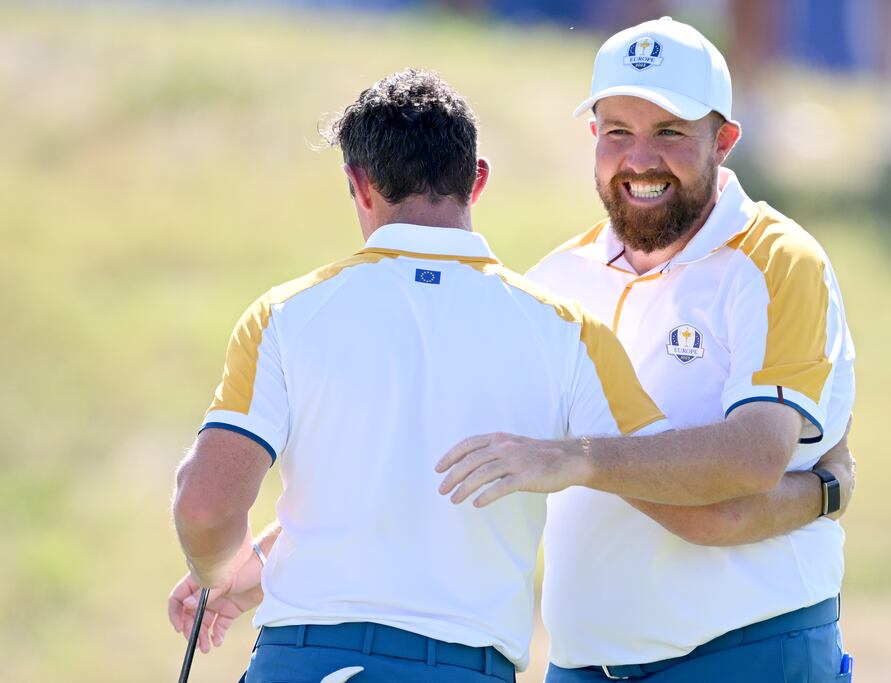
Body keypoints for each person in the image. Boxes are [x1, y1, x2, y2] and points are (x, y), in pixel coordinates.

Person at [169, 68, 673, 683]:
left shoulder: (284, 315)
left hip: (303, 660)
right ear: (477, 179)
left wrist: (219, 573)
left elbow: (205, 504)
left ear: (360, 184)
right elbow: (668, 478)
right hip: (466, 667)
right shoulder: (570, 331)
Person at [437, 17, 856, 682]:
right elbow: (464, 446)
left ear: (724, 140)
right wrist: (262, 564)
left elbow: (752, 456)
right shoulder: (556, 278)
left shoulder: (780, 259)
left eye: (669, 133)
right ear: (592, 138)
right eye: (618, 132)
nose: (639, 159)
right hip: (582, 664)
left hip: (747, 653)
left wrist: (575, 457)